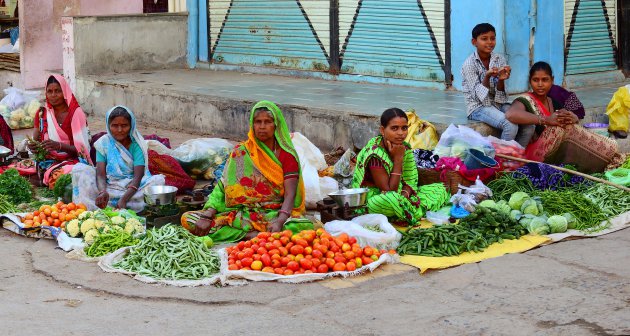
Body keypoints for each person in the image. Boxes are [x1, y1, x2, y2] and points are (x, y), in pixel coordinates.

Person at [181, 100, 310, 241]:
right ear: (252, 124)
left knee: (307, 226)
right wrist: (207, 214)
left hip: (274, 214)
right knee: (189, 219)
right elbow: (224, 187)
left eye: (268, 122)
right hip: (242, 214)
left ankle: (253, 234)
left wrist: (280, 221)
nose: (262, 127)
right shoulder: (241, 153)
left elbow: (290, 195)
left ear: (276, 125)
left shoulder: (287, 155)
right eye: (258, 122)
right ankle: (250, 236)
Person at [505, 62, 622, 173]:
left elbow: (574, 113)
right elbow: (511, 114)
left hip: (555, 152)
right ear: (530, 81)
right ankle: (605, 156)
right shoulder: (525, 99)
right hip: (533, 155)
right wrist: (545, 120)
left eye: (545, 80)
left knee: (569, 126)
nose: (540, 84)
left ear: (552, 80)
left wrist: (573, 117)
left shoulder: (554, 101)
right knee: (559, 129)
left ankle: (606, 156)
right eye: (536, 80)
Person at [352, 108, 450, 226]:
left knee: (441, 188)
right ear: (382, 130)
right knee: (391, 200)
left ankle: (404, 210)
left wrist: (404, 196)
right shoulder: (375, 154)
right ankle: (410, 211)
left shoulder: (405, 148)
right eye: (394, 128)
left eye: (404, 128)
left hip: (401, 195)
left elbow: (411, 180)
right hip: (376, 199)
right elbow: (388, 191)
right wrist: (398, 160)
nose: (401, 133)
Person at [72, 106, 165, 212]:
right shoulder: (103, 143)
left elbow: (138, 177)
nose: (120, 130)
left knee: (158, 181)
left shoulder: (136, 145)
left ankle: (120, 204)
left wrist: (124, 199)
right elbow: (100, 174)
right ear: (108, 125)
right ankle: (101, 203)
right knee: (79, 170)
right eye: (115, 126)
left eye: (124, 125)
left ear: (131, 125)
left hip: (132, 188)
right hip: (108, 186)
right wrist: (103, 191)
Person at [462, 23, 535, 147]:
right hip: (477, 107)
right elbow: (479, 98)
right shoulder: (469, 64)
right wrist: (487, 76)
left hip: (497, 104)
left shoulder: (499, 59)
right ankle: (501, 159)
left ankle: (517, 157)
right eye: (484, 39)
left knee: (529, 125)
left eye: (493, 38)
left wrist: (501, 79)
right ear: (474, 42)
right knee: (510, 125)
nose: (490, 42)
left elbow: (501, 97)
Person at [30, 75, 92, 184]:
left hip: (73, 161)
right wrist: (32, 146)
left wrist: (59, 146)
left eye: (57, 91)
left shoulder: (75, 114)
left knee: (62, 176)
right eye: (49, 91)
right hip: (48, 161)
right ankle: (44, 177)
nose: (53, 95)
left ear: (65, 92)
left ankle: (45, 178)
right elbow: (35, 140)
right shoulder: (42, 113)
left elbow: (83, 150)